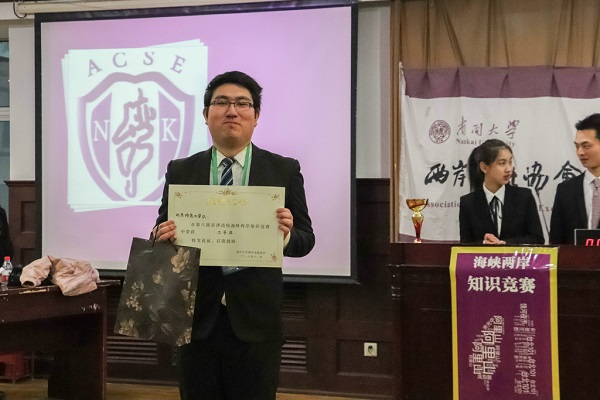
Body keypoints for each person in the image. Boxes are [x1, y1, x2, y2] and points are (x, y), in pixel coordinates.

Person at [153, 71, 315, 400]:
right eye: (222, 103)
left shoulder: (283, 169)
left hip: (257, 321)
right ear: (205, 114)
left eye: (242, 103)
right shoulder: (181, 170)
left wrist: (284, 236)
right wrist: (161, 237)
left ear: (256, 116)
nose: (232, 111)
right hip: (196, 320)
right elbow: (162, 232)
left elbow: (305, 240)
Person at [459, 139, 545, 245]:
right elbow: (465, 245)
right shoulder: (468, 203)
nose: (509, 169)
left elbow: (537, 239)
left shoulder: (524, 197)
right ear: (484, 167)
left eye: (510, 162)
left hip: (516, 256)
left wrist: (504, 243)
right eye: (502, 163)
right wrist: (484, 243)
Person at [550, 113, 600, 244]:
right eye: (577, 146)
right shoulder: (565, 190)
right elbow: (556, 241)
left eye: (586, 146)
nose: (580, 152)